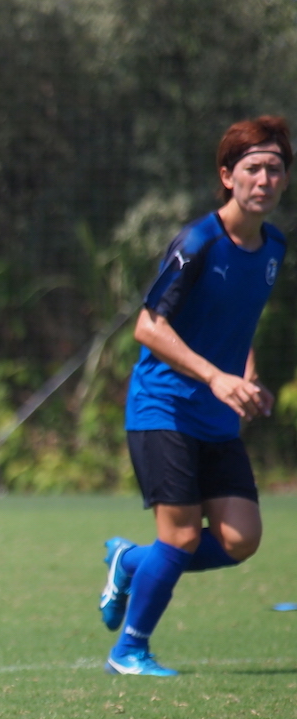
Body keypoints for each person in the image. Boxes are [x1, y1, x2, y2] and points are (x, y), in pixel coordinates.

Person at [98, 116, 290, 676]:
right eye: (253, 168)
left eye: (275, 169)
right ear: (227, 176)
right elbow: (149, 327)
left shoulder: (273, 245)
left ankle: (130, 561)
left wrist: (247, 378)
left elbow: (240, 321)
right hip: (164, 407)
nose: (265, 179)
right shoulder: (198, 242)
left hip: (217, 415)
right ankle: (129, 649)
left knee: (240, 539)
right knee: (179, 537)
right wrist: (215, 377)